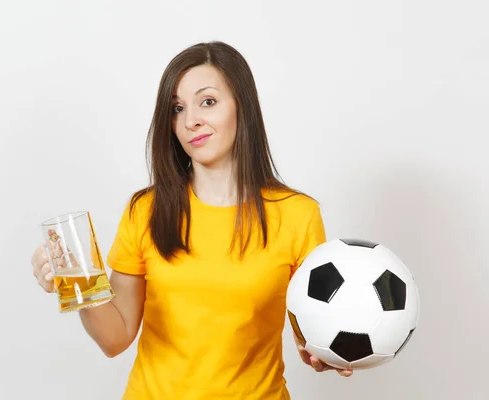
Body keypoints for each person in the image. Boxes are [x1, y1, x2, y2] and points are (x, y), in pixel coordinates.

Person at [31, 41, 352, 400]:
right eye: (177, 108)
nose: (190, 120)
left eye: (208, 102)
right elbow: (115, 339)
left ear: (242, 106)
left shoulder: (297, 214)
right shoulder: (146, 210)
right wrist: (78, 281)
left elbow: (312, 330)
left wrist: (328, 352)